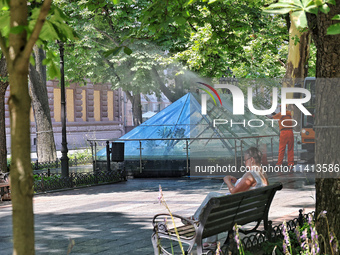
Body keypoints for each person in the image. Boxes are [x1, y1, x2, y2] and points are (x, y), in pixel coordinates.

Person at [189, 147, 268, 248]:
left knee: (212, 197)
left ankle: (195, 219)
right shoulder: (262, 173)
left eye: (245, 160)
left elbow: (234, 192)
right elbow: (248, 188)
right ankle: (209, 239)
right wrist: (238, 182)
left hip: (240, 211)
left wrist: (227, 181)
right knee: (214, 206)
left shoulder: (250, 174)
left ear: (251, 159)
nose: (244, 163)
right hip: (253, 210)